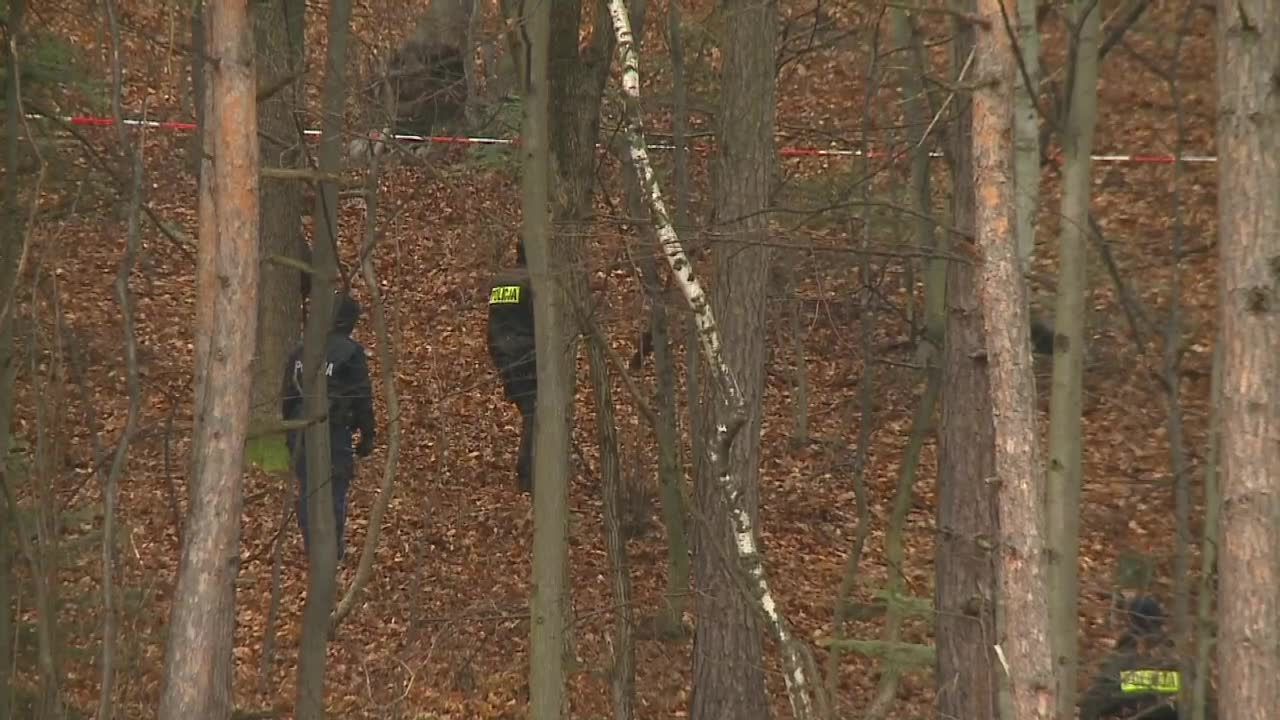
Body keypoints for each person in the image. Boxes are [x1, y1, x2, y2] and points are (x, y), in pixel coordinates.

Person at [281, 293, 376, 562]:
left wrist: (289, 428)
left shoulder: (302, 347)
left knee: (309, 490)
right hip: (333, 432)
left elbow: (287, 393)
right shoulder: (350, 353)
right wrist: (368, 434)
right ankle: (331, 556)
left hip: (298, 429)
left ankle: (315, 551)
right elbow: (362, 396)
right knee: (334, 491)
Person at [1079, 596, 1190, 720]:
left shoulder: (1122, 659)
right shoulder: (1179, 661)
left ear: (1129, 623)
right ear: (1161, 622)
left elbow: (1093, 703)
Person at [487, 241, 537, 493]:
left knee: (530, 412)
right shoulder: (534, 282)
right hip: (529, 355)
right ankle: (527, 471)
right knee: (534, 413)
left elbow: (492, 325)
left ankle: (529, 469)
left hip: (504, 357)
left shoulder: (500, 282)